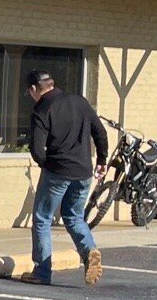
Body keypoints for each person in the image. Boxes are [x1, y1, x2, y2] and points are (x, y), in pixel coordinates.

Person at [19, 69, 106, 286]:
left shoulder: (42, 109)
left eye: (30, 92)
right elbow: (100, 132)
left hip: (57, 171)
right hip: (84, 172)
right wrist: (102, 160)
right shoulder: (79, 101)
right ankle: (89, 251)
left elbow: (37, 149)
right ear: (52, 83)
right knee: (74, 217)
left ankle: (42, 272)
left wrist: (47, 165)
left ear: (34, 89)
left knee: (42, 219)